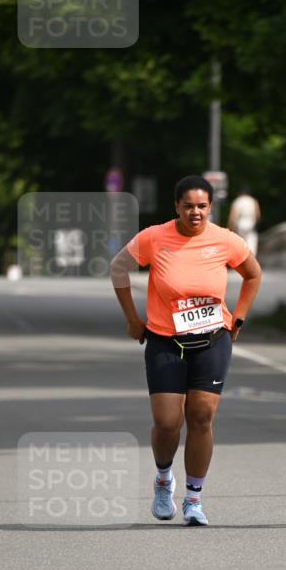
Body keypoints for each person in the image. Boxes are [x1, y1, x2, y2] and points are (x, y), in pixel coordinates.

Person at [110, 174, 262, 525]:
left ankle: (194, 499)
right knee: (167, 423)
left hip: (212, 339)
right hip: (166, 340)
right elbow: (118, 267)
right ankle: (164, 479)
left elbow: (253, 274)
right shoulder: (154, 237)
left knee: (201, 417)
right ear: (176, 206)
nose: (196, 213)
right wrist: (132, 319)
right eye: (189, 206)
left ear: (211, 207)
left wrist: (237, 318)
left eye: (202, 206)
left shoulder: (225, 240)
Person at [228, 188, 261, 256]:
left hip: (241, 222)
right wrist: (256, 223)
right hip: (251, 222)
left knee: (241, 242)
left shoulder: (237, 201)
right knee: (251, 242)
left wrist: (230, 227)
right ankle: (251, 259)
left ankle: (241, 259)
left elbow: (233, 215)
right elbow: (257, 214)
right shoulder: (253, 200)